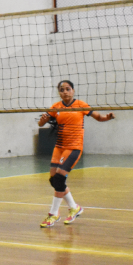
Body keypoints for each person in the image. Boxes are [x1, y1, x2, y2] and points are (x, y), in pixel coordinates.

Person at [36, 80, 114, 227]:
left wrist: (107, 117)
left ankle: (53, 214)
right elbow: (40, 123)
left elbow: (98, 117)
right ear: (59, 92)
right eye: (62, 89)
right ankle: (74, 208)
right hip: (59, 147)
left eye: (67, 89)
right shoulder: (56, 107)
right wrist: (43, 120)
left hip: (73, 147)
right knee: (54, 180)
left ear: (73, 90)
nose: (65, 92)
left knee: (59, 180)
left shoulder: (81, 105)